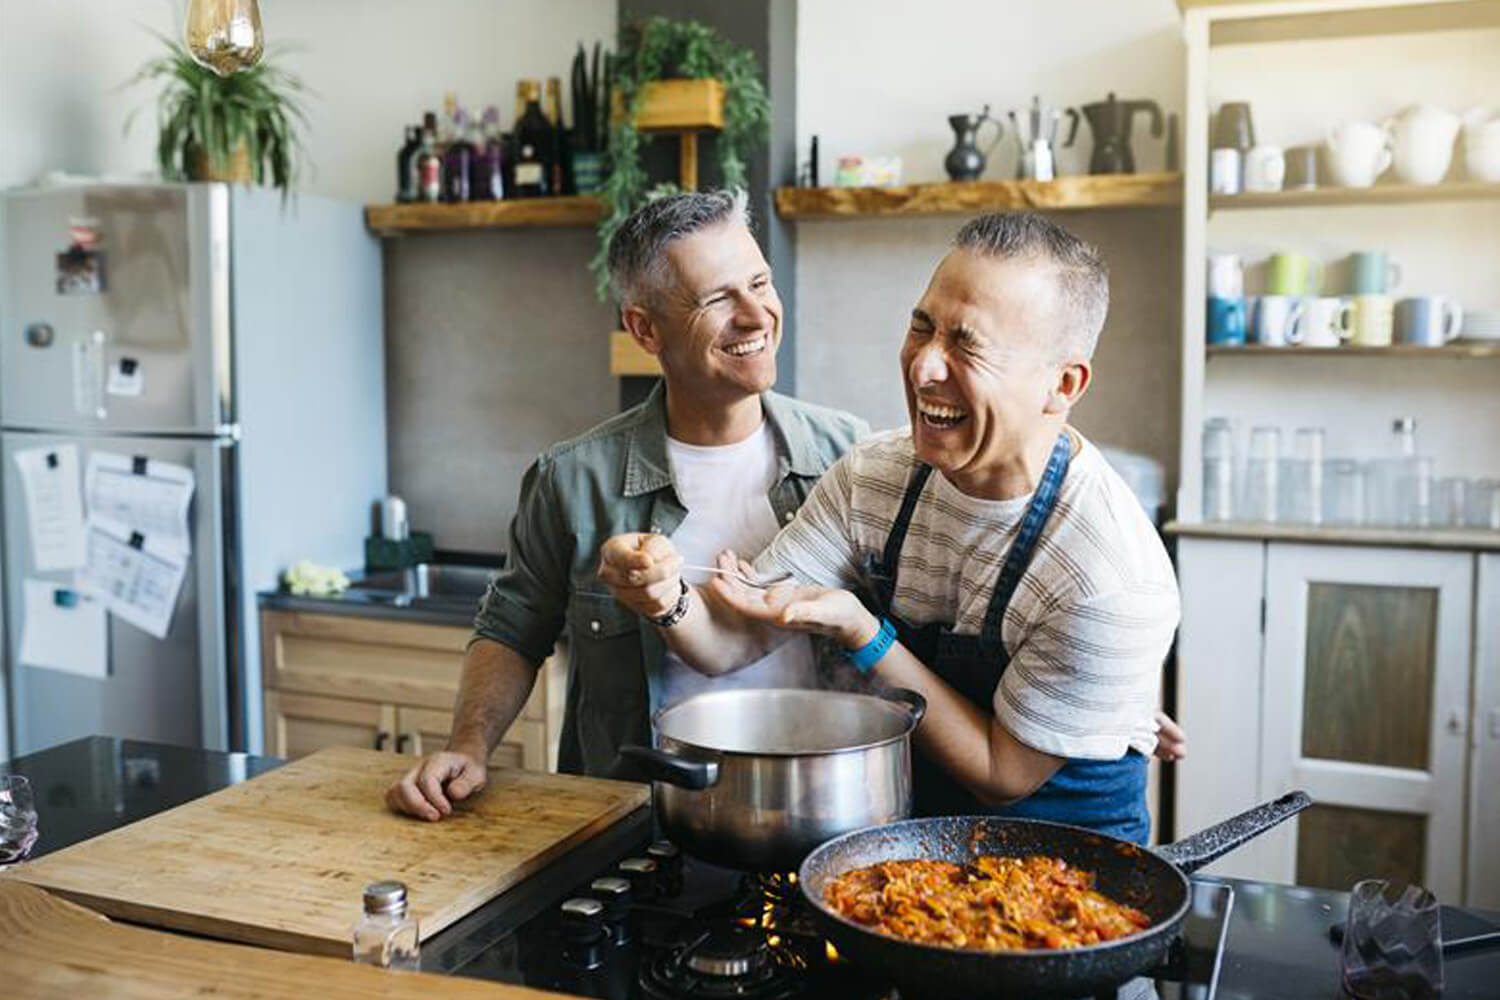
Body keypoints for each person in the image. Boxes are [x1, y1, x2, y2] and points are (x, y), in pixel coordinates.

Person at [598, 212, 1181, 844]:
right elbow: (731, 641)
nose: (924, 367)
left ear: (1062, 385)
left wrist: (865, 634)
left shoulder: (1109, 576)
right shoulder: (875, 477)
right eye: (921, 327)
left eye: (968, 345)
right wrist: (665, 598)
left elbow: (1002, 774)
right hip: (909, 845)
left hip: (1062, 865)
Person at [386, 189, 868, 820]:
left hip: (821, 814)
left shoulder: (849, 455)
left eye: (760, 284)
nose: (756, 316)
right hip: (640, 825)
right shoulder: (572, 479)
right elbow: (511, 629)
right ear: (645, 329)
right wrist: (468, 746)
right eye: (718, 299)